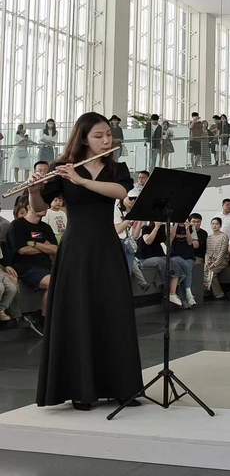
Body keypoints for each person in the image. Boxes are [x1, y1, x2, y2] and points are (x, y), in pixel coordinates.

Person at [28, 112, 143, 411]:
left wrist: (80, 180)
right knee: (78, 313)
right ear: (83, 138)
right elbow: (38, 208)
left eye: (108, 135)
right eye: (98, 136)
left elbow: (120, 192)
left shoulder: (116, 168)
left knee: (113, 313)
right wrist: (33, 190)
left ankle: (121, 387)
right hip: (76, 249)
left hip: (106, 246)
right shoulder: (61, 169)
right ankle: (80, 390)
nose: (106, 140)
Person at [10, 195, 57, 333]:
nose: (46, 207)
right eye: (42, 203)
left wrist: (35, 244)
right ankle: (40, 317)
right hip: (27, 268)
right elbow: (22, 250)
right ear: (30, 206)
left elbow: (56, 249)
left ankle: (44, 315)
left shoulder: (46, 227)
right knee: (55, 282)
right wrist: (46, 247)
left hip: (46, 266)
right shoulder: (18, 225)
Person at [137, 221, 183, 307]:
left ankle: (172, 293)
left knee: (174, 264)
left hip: (159, 256)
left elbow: (168, 243)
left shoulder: (162, 231)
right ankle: (165, 287)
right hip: (146, 258)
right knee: (162, 263)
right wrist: (156, 227)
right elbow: (148, 241)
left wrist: (172, 228)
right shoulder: (146, 228)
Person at [113, 193, 149, 293]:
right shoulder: (116, 209)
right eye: (131, 198)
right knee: (119, 273)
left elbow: (135, 235)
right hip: (118, 243)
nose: (133, 201)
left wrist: (139, 218)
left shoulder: (131, 211)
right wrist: (129, 218)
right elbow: (118, 229)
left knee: (128, 270)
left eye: (135, 199)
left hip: (128, 244)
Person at [169, 221, 197, 308]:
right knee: (186, 267)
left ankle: (184, 300)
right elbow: (170, 240)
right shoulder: (171, 225)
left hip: (188, 256)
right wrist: (176, 225)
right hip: (175, 255)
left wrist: (187, 228)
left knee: (186, 269)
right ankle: (188, 293)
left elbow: (190, 242)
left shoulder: (192, 227)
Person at [204, 217, 228, 300]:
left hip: (222, 261)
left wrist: (214, 264)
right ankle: (206, 292)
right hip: (211, 260)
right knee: (204, 270)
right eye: (213, 224)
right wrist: (207, 261)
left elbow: (222, 253)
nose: (214, 226)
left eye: (217, 224)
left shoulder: (224, 237)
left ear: (220, 226)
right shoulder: (209, 237)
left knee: (211, 272)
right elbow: (207, 252)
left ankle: (219, 293)